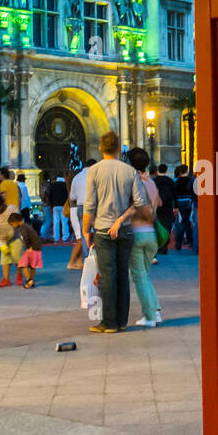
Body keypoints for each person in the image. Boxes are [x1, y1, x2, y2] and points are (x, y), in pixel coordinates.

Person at [82, 131, 148, 332]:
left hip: (103, 230)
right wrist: (121, 219)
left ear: (100, 148)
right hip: (125, 230)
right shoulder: (129, 171)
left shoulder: (94, 171)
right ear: (119, 148)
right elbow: (140, 203)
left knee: (108, 276)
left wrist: (86, 230)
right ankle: (121, 320)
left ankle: (109, 322)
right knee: (122, 275)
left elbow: (89, 205)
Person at [126, 148, 163, 326]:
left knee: (139, 277)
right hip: (152, 235)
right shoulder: (151, 182)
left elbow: (136, 205)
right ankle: (155, 311)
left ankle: (149, 316)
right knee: (144, 275)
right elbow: (160, 202)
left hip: (137, 233)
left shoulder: (135, 182)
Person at [68, 160, 95, 269]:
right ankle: (97, 258)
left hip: (80, 206)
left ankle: (86, 259)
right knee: (99, 231)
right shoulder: (96, 174)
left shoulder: (77, 177)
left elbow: (72, 197)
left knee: (85, 233)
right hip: (94, 205)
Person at [0, 193, 20, 287]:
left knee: (17, 258)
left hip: (15, 238)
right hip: (2, 239)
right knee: (5, 260)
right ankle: (6, 279)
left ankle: (19, 275)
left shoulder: (12, 209)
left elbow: (19, 221)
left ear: (2, 204)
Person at [153, 163, 178, 255]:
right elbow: (175, 194)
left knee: (158, 224)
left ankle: (158, 245)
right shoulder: (170, 181)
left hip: (157, 206)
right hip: (168, 206)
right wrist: (176, 206)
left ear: (158, 170)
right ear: (166, 170)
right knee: (167, 226)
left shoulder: (155, 181)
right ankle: (164, 246)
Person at [172, 163, 198, 252]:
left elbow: (174, 194)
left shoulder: (175, 181)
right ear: (186, 171)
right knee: (187, 222)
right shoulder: (191, 180)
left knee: (180, 222)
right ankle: (191, 241)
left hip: (179, 203)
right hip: (188, 203)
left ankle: (178, 243)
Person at [14, 212, 43, 288]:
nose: (13, 226)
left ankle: (29, 280)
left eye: (12, 224)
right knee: (32, 266)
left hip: (31, 247)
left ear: (16, 222)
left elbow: (25, 237)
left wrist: (28, 247)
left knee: (23, 263)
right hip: (38, 246)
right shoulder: (26, 225)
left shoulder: (22, 227)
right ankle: (31, 282)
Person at [47, 175, 69, 242]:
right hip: (63, 206)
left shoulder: (53, 185)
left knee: (56, 222)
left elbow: (50, 196)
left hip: (55, 206)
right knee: (64, 222)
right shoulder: (65, 185)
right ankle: (65, 236)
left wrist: (51, 205)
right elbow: (68, 196)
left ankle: (56, 237)